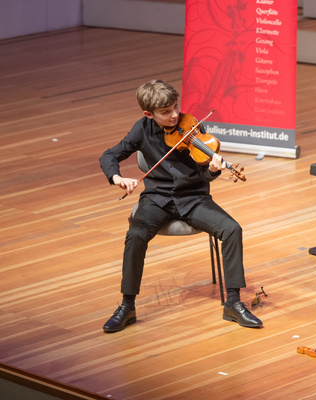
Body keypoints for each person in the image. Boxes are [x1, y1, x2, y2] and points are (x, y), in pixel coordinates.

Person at [99, 79, 262, 333]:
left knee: (232, 229)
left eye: (176, 106)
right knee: (135, 234)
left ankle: (233, 303)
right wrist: (117, 178)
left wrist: (212, 170)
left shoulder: (192, 125)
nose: (175, 115)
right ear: (149, 114)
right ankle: (127, 306)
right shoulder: (141, 129)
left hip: (193, 198)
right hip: (157, 198)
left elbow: (203, 173)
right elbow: (109, 155)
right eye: (166, 112)